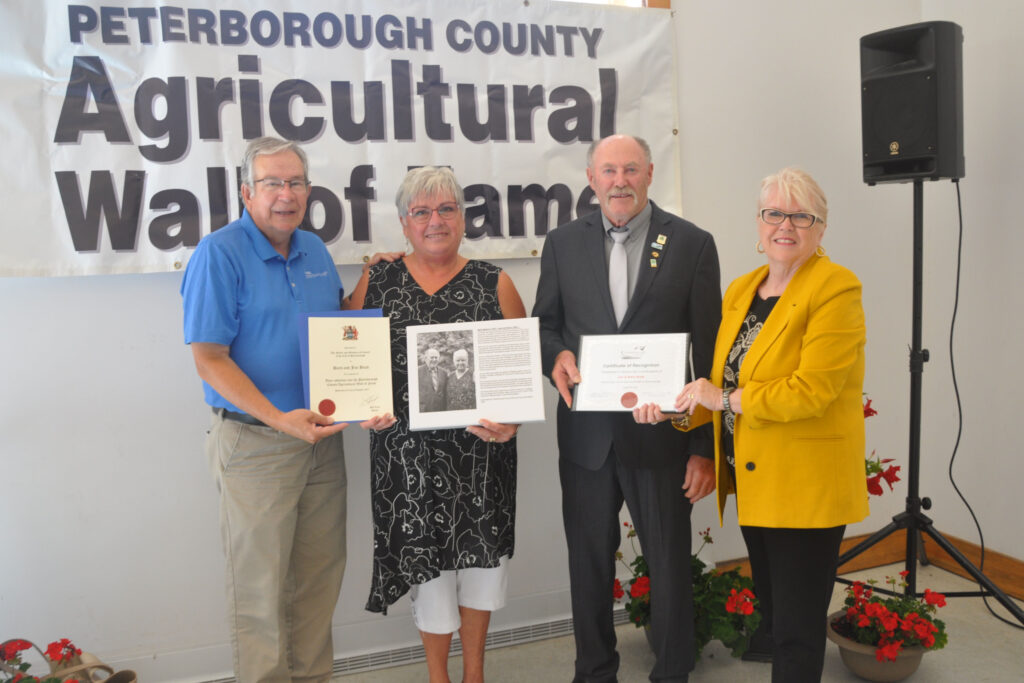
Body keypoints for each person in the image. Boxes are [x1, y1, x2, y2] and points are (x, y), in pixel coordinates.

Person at [635, 167, 869, 682]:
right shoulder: (743, 289)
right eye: (774, 214)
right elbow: (721, 384)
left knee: (797, 627)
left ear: (821, 227)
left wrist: (720, 396)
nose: (785, 225)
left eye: (800, 215)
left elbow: (813, 390)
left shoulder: (835, 287)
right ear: (759, 224)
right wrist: (676, 407)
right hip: (758, 483)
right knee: (774, 613)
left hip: (807, 487)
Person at [181, 136, 395, 682]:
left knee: (317, 584)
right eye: (273, 183)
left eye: (296, 182)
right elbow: (209, 359)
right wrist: (280, 419)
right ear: (246, 191)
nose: (286, 194)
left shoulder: (314, 250)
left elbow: (341, 325)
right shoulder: (219, 253)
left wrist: (375, 271)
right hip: (257, 445)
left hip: (321, 444)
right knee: (259, 594)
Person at [533, 134, 722, 683]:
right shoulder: (563, 243)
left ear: (650, 174)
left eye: (631, 170)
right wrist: (557, 355)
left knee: (668, 567)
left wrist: (702, 446)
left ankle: (673, 671)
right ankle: (594, 671)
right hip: (587, 438)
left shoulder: (692, 243)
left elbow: (707, 352)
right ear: (591, 178)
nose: (620, 180)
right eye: (609, 170)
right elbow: (546, 325)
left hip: (662, 438)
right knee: (588, 566)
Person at [345, 166, 527, 683]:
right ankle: (437, 677)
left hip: (479, 458)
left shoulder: (496, 282)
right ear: (404, 222)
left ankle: (474, 674)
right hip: (406, 461)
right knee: (429, 576)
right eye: (421, 212)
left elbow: (518, 375)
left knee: (480, 571)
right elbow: (351, 359)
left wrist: (511, 422)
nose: (434, 221)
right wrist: (364, 405)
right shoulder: (376, 279)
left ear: (463, 218)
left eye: (446, 209)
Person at [418, 346, 448, 412]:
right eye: (431, 357)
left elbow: (445, 392)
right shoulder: (417, 372)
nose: (434, 360)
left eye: (436, 357)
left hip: (440, 410)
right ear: (426, 359)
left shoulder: (444, 373)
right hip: (424, 411)